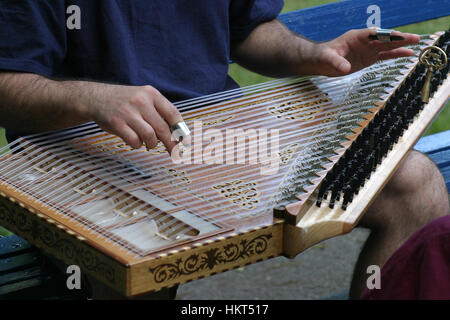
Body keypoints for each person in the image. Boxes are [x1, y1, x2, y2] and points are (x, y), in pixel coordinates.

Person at [0, 1, 447, 299]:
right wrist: (93, 99)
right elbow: (7, 82)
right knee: (135, 262)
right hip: (88, 151)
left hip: (216, 134)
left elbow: (248, 27)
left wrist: (314, 54)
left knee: (417, 185)